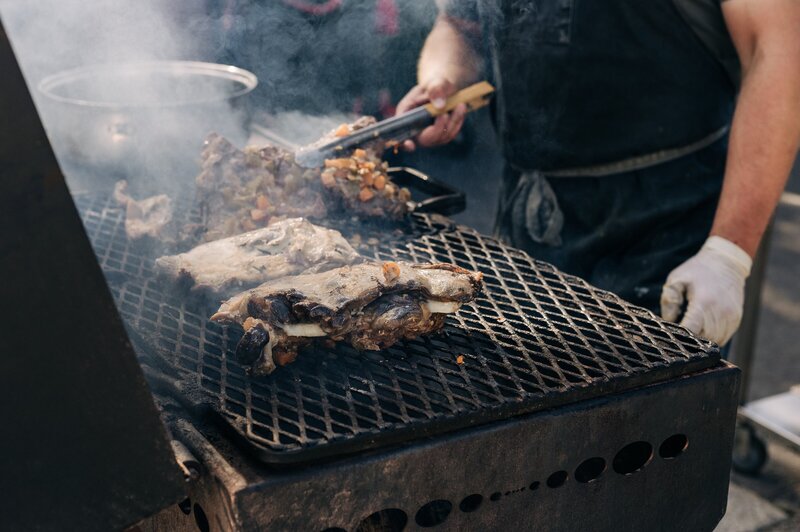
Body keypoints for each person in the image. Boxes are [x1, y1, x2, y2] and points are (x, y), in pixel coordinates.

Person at [396, 0, 800, 346]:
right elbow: (458, 26)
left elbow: (779, 50)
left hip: (666, 230)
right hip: (526, 224)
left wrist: (728, 254)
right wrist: (441, 79)